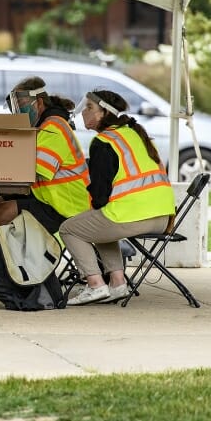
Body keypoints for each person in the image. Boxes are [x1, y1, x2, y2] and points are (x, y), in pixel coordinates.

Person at [60, 90, 175, 306]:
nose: (84, 112)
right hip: (162, 217)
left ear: (103, 113)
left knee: (70, 228)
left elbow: (100, 197)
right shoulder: (134, 134)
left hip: (133, 215)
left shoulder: (104, 142)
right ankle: (117, 282)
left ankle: (95, 284)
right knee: (96, 222)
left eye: (90, 108)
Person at [0, 76, 91, 234]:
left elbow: (35, 171)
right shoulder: (42, 126)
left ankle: (6, 256)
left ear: (40, 103)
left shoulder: (53, 127)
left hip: (67, 204)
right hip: (49, 198)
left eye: (22, 106)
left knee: (3, 211)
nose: (19, 112)